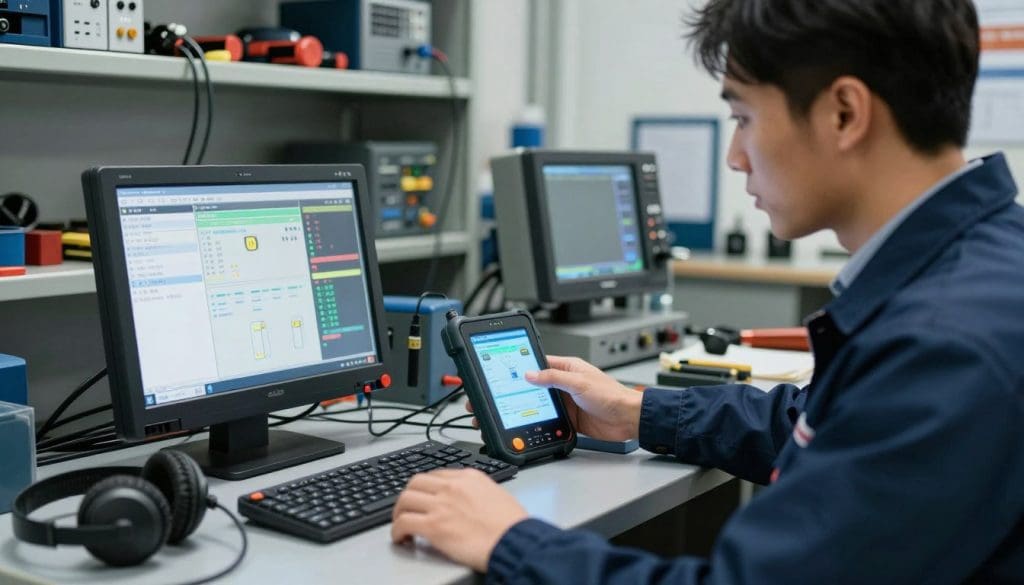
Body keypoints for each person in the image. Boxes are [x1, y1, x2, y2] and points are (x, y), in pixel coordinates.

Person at [391, 0, 1024, 582]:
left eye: (743, 117)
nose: (735, 156)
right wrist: (641, 411)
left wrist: (510, 540)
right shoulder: (980, 271)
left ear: (844, 113)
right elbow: (822, 426)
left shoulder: (945, 344)